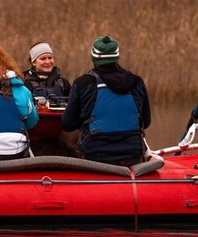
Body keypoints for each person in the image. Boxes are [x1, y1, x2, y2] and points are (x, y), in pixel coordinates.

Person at [61, 35, 151, 166]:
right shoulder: (137, 82)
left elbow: (67, 124)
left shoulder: (82, 83)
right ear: (117, 56)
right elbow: (146, 122)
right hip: (132, 154)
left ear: (94, 58)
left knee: (63, 137)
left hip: (95, 156)